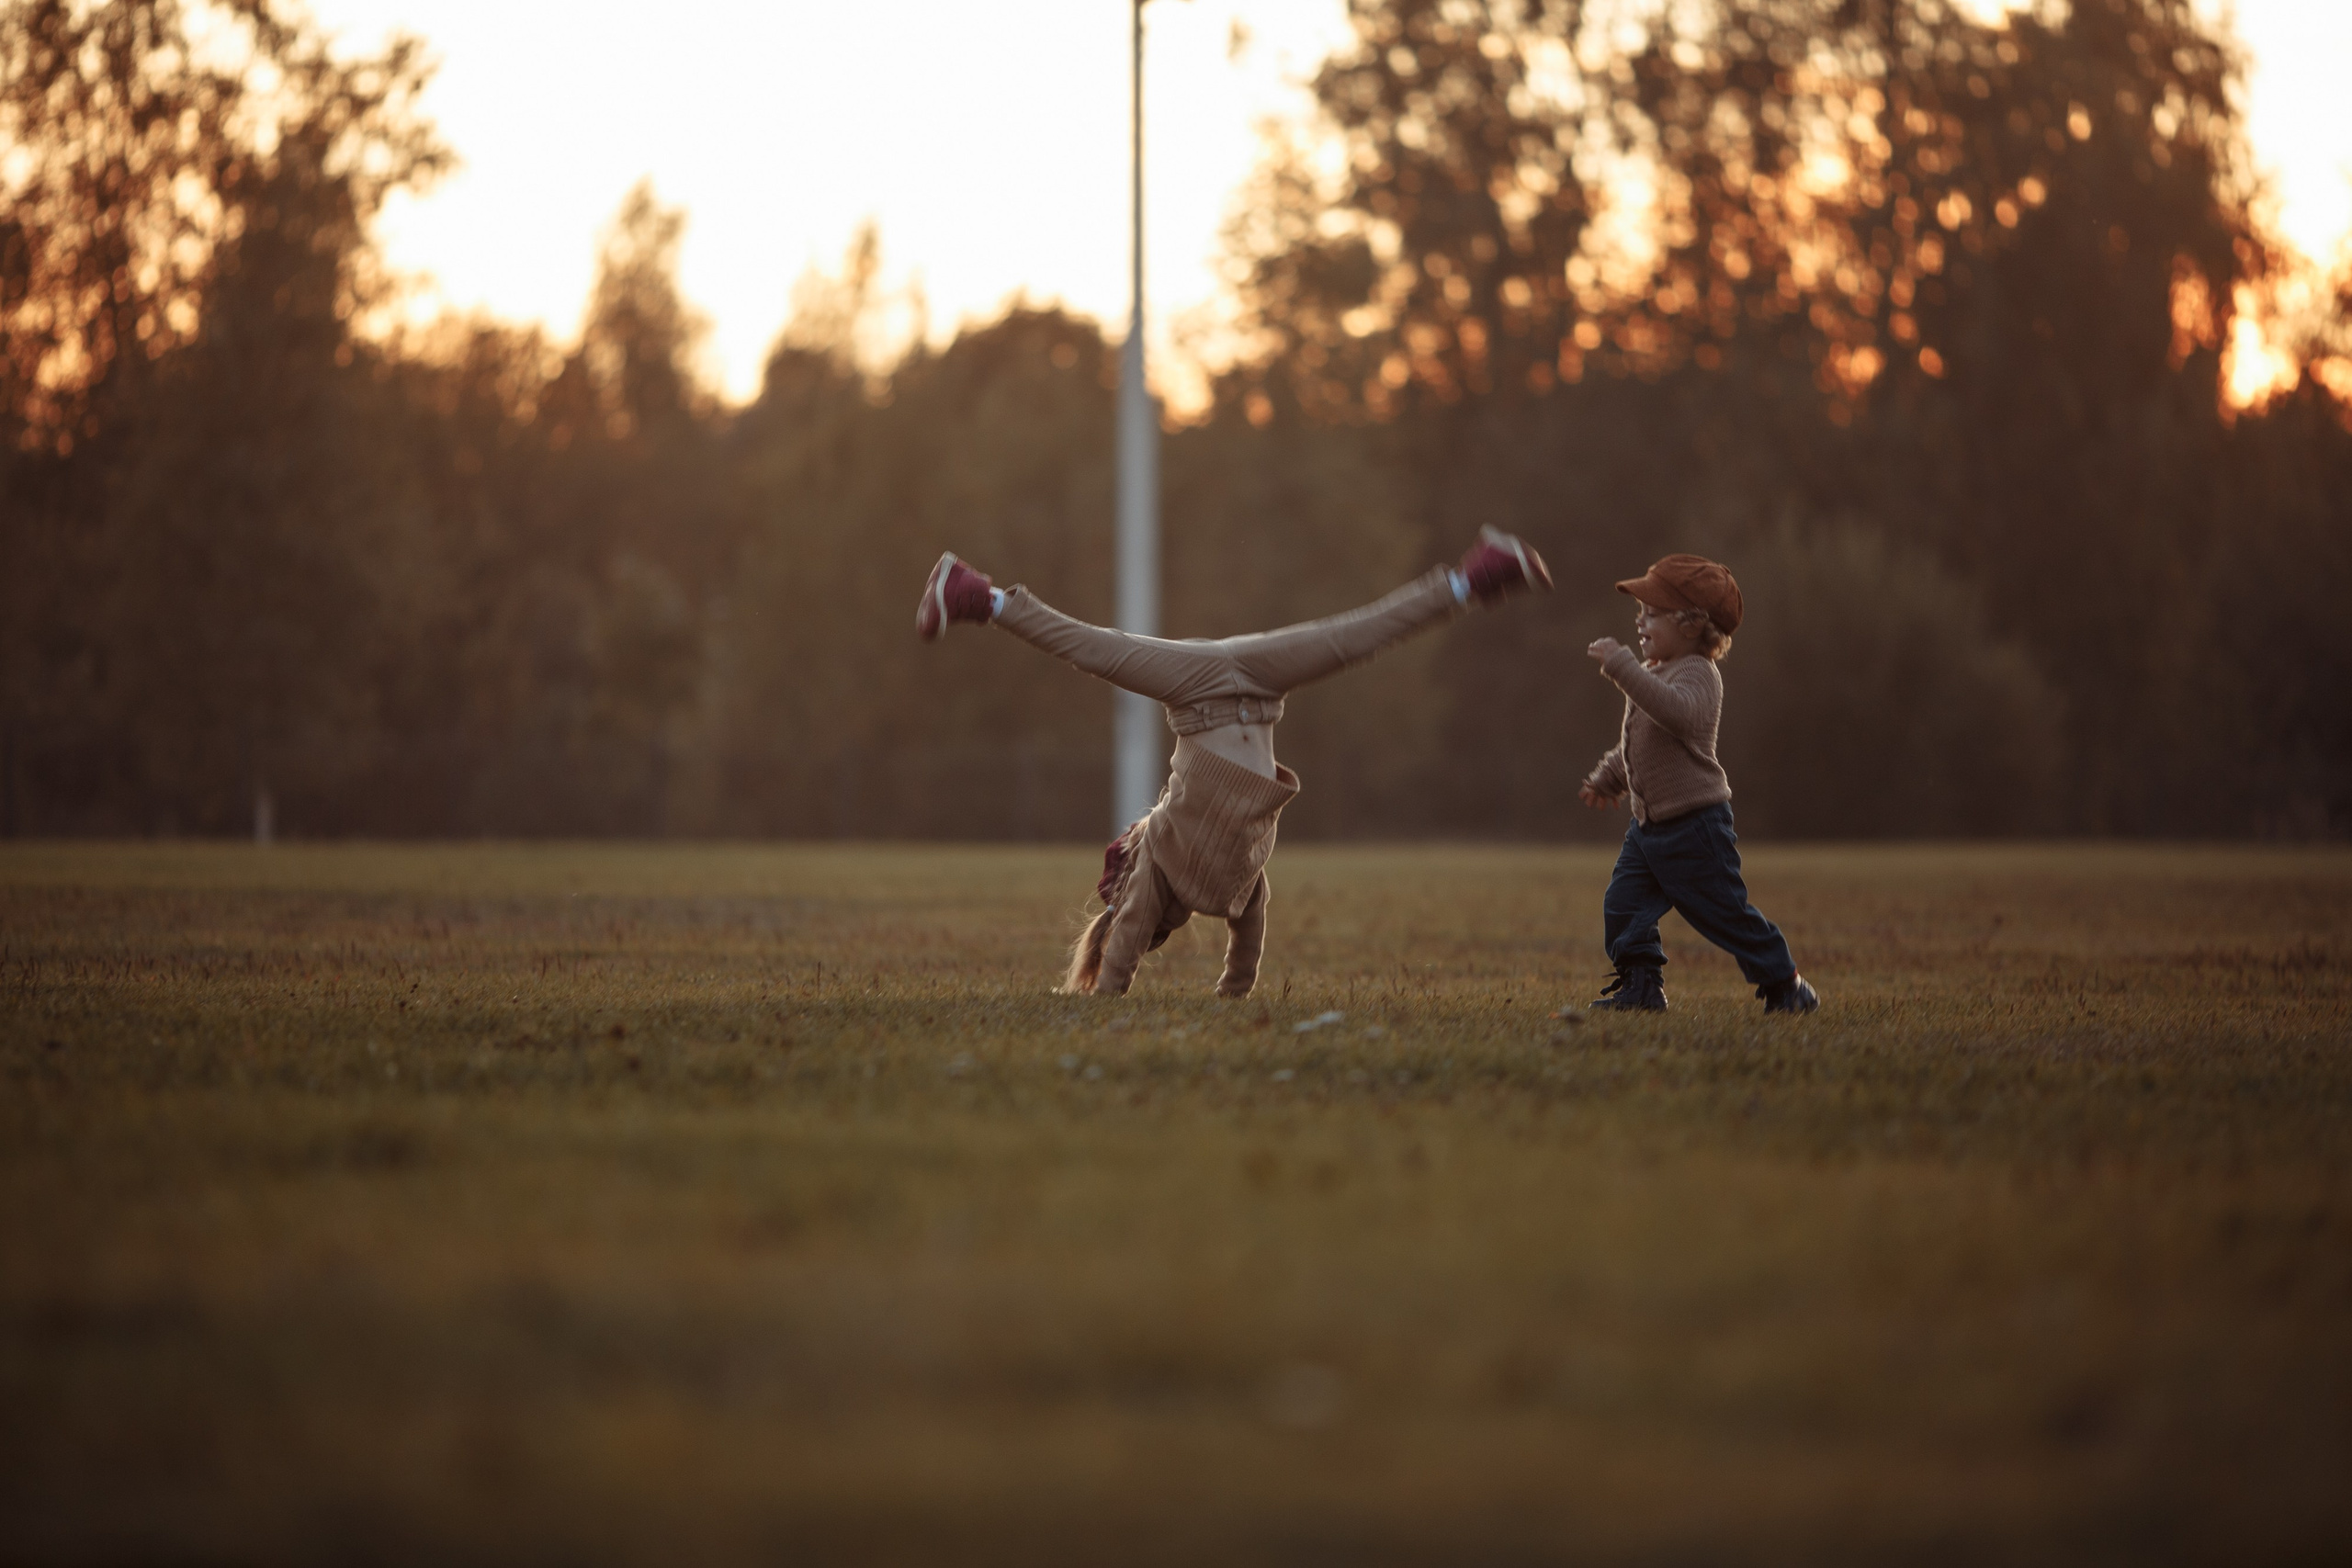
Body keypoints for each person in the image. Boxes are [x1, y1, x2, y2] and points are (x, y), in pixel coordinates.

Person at [916, 529, 1551, 997]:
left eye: (1153, 931)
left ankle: (976, 594)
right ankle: (1478, 575)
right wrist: (1234, 994)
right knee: (1355, 638)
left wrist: (1105, 999)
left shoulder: (1160, 863)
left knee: (1094, 649)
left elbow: (1125, 944)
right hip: (1257, 687)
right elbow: (1251, 927)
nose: (1161, 931)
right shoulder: (1230, 877)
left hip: (1197, 686)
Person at [1575, 553, 1819, 1014]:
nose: (1640, 622)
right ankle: (1642, 986)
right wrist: (1609, 777)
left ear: (1690, 624)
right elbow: (1640, 745)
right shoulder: (1654, 673)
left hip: (1695, 828)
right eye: (1639, 613)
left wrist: (1622, 667)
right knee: (1623, 905)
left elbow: (1675, 714)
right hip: (1648, 829)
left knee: (1723, 913)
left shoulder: (1699, 675)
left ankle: (1787, 983)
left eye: (1652, 613)